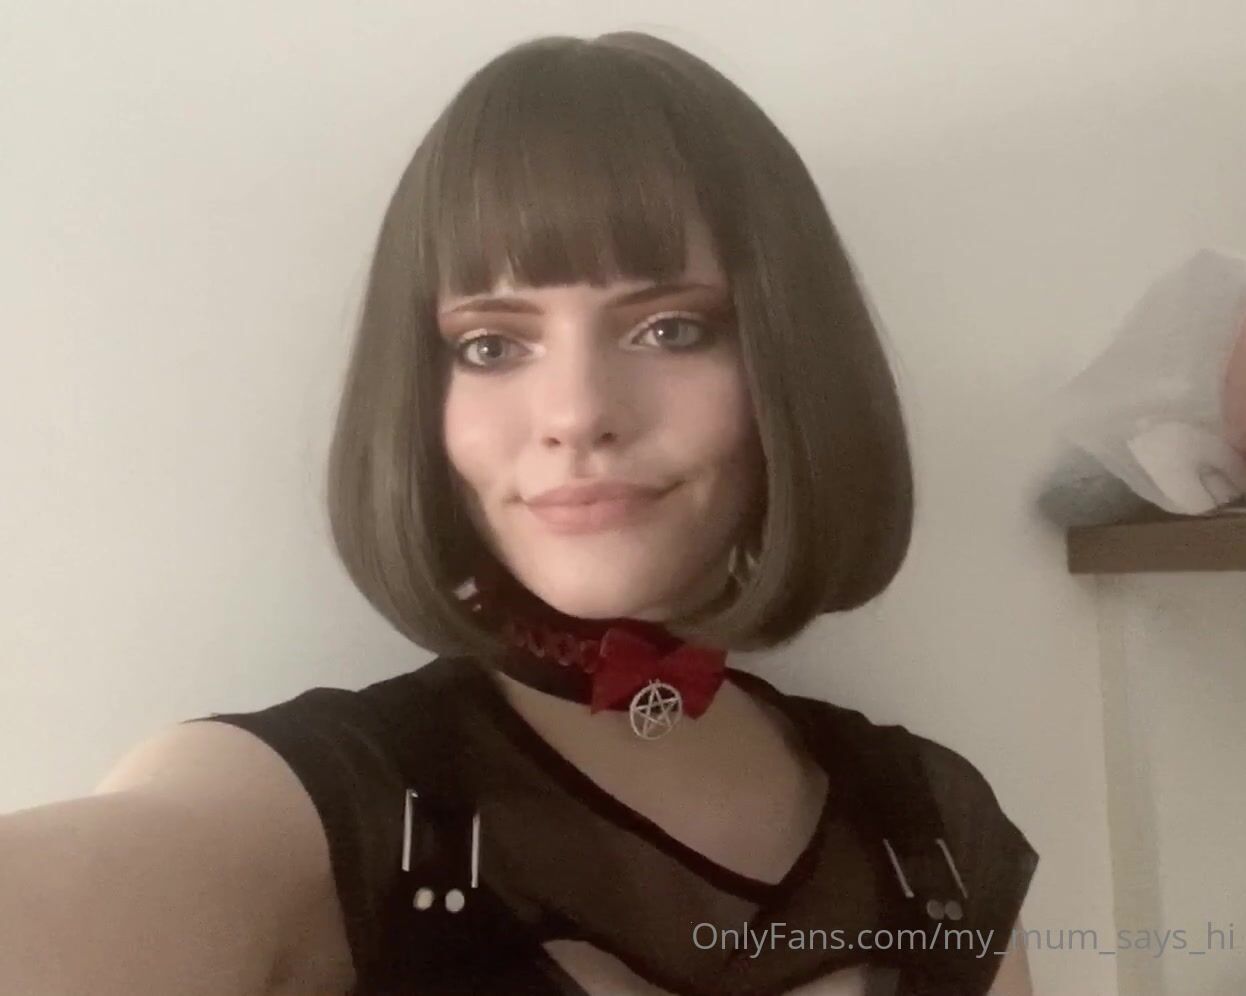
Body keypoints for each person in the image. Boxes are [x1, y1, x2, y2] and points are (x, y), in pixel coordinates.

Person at [1, 31, 1038, 996]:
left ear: (787, 363)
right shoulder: (306, 806)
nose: (577, 413)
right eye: (491, 346)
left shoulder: (932, 832)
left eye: (670, 329)